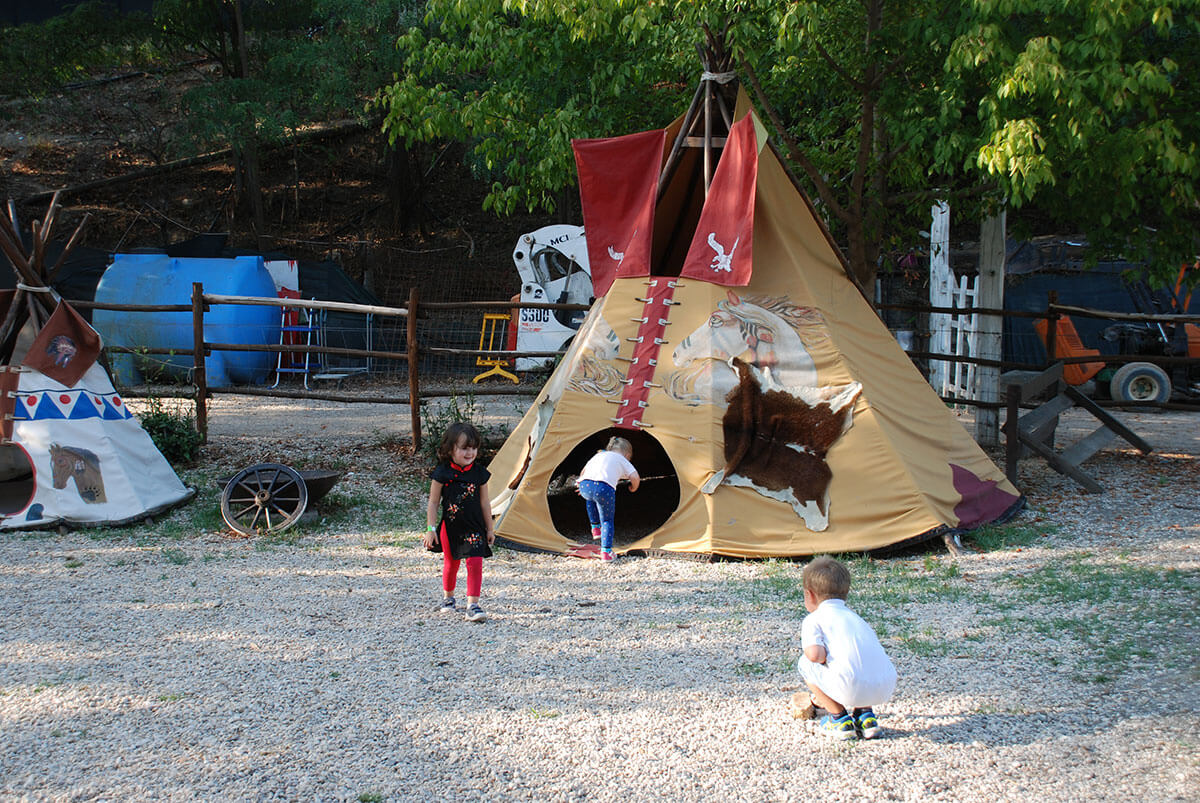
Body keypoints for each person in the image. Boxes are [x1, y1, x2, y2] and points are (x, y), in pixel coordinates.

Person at [796, 556, 896, 739]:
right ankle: (865, 716)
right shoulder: (856, 619)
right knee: (858, 660)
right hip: (885, 686)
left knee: (804, 664)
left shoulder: (814, 619)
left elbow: (814, 655)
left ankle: (839, 718)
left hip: (850, 687)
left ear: (809, 595)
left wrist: (824, 658)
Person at [424, 422, 494, 622]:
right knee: (451, 563)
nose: (470, 452)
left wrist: (490, 528)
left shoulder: (480, 474)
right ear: (450, 449)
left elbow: (485, 503)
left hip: (474, 527)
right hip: (450, 527)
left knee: (475, 563)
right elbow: (433, 502)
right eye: (464, 448)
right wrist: (431, 529)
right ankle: (449, 598)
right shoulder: (441, 473)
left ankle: (473, 605)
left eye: (473, 448)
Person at [576, 436, 640, 563]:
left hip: (585, 484)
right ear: (627, 455)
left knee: (591, 498)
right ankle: (606, 552)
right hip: (604, 489)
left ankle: (594, 527)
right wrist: (633, 487)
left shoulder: (599, 455)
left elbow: (584, 471)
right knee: (607, 520)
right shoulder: (622, 459)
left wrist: (580, 484)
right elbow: (635, 477)